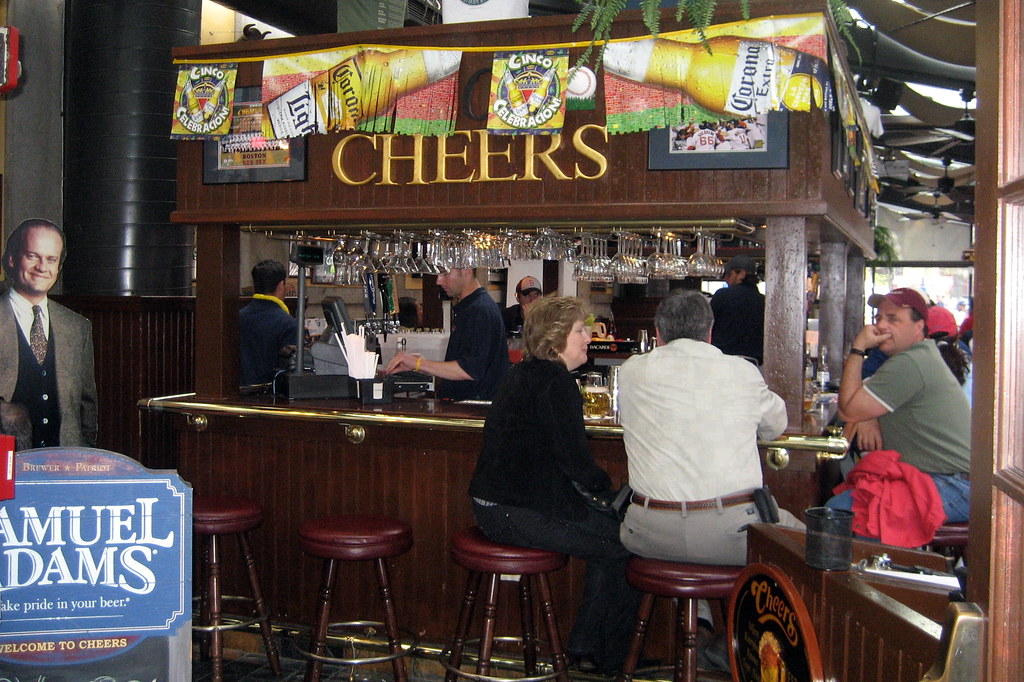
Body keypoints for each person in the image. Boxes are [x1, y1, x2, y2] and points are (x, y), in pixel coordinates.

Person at [468, 296, 639, 675]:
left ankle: (587, 650)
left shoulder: (527, 373)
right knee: (625, 544)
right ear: (555, 337)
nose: (587, 338)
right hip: (515, 511)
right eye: (579, 330)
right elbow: (575, 462)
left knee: (613, 541)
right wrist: (611, 495)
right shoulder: (555, 381)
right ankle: (604, 658)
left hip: (494, 505)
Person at [618, 289, 798, 566]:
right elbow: (775, 427)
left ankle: (698, 608)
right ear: (710, 331)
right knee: (810, 545)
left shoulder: (631, 371)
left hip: (647, 532)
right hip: (731, 534)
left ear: (658, 333)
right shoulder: (742, 372)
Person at [831, 287, 971, 524]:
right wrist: (867, 416)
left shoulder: (911, 361)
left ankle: (887, 562)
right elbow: (860, 402)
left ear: (919, 327)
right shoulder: (917, 356)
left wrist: (858, 349)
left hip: (954, 486)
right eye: (879, 318)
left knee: (842, 511)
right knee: (858, 501)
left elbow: (847, 409)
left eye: (893, 319)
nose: (881, 326)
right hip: (947, 479)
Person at [1, 218, 98, 448]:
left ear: (58, 267)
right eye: (32, 256)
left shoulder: (77, 327)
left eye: (51, 259)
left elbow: (87, 408)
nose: (42, 267)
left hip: (63, 468)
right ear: (13, 259)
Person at [385, 268, 509, 400]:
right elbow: (465, 362)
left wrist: (419, 364)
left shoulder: (479, 310)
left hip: (474, 411)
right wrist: (421, 364)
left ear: (466, 270)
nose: (438, 280)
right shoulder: (471, 306)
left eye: (445, 274)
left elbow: (469, 370)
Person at [239, 259, 299, 385]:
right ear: (281, 285)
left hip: (237, 395)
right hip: (271, 397)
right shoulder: (288, 323)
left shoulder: (238, 317)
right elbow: (290, 371)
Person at [710, 254, 765, 365]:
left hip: (723, 361)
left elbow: (707, 325)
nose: (726, 279)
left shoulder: (723, 295)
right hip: (754, 365)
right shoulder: (763, 301)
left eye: (729, 274)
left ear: (741, 274)